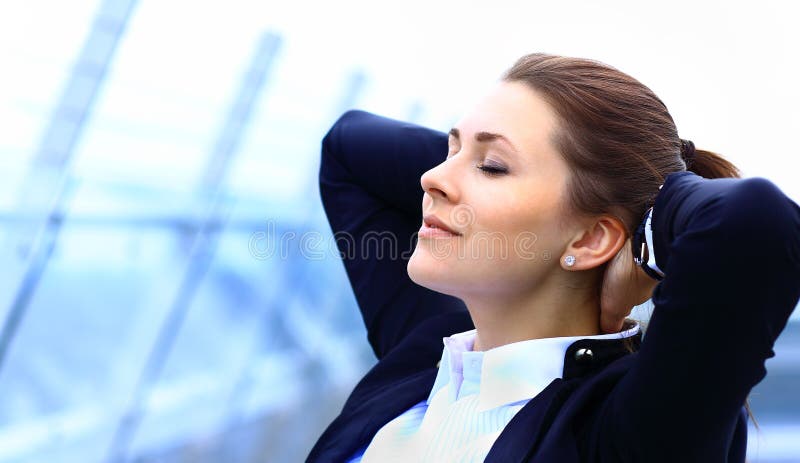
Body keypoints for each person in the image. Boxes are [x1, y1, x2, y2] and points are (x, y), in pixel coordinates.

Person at [305, 52, 800, 462]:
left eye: (493, 167)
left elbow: (755, 221)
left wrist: (642, 230)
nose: (431, 178)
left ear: (589, 240)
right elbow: (350, 147)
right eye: (448, 150)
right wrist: (478, 163)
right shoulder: (421, 357)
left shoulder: (622, 432)